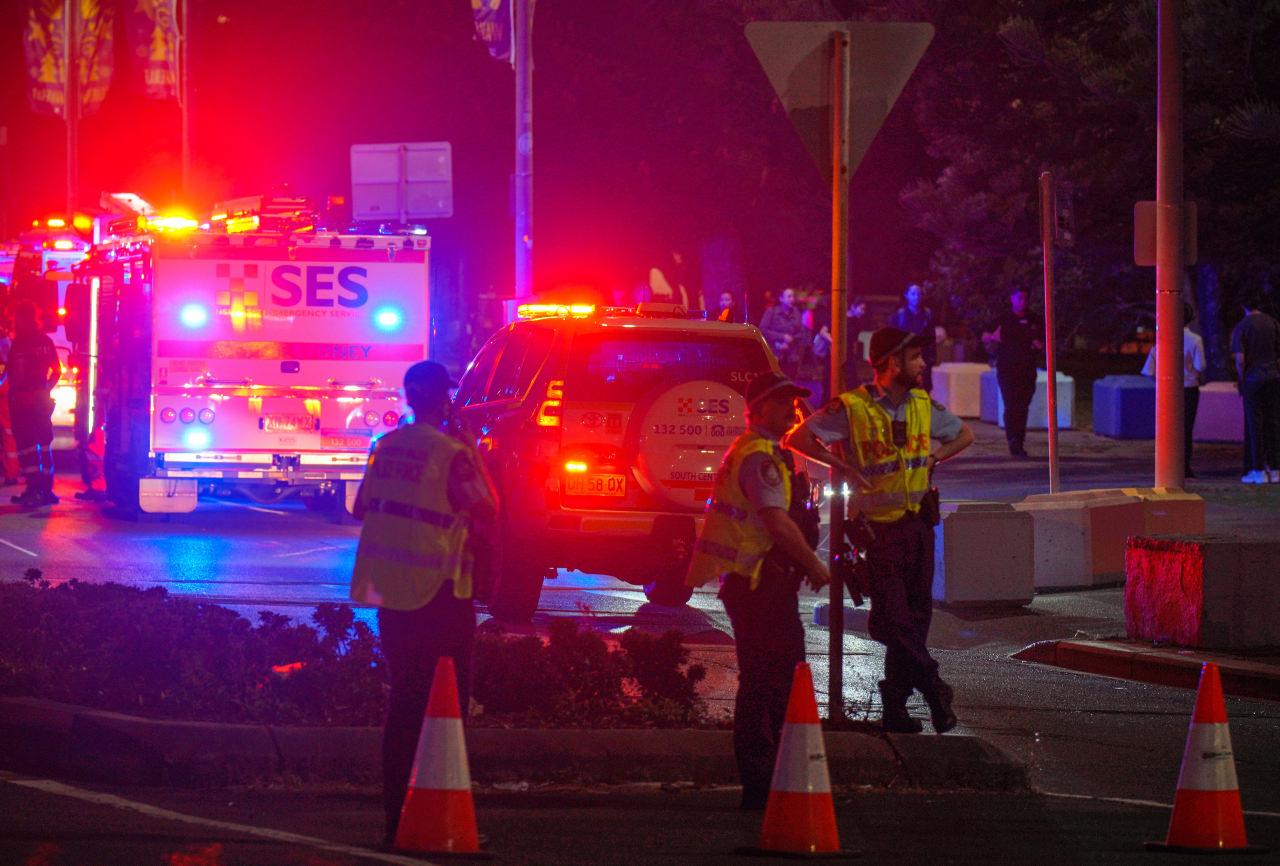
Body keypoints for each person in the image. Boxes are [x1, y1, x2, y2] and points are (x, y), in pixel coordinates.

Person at [785, 327, 973, 735]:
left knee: (915, 620)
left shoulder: (922, 403)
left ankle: (895, 708)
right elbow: (797, 438)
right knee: (889, 622)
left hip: (919, 526)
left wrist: (935, 458)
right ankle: (933, 685)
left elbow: (964, 434)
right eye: (915, 357)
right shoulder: (852, 407)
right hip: (878, 533)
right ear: (891, 362)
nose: (923, 363)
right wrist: (841, 466)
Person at [350, 360, 499, 845]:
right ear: (445, 398)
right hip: (441, 594)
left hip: (391, 592)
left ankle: (397, 818)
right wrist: (471, 448)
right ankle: (438, 813)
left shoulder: (385, 446)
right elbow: (488, 506)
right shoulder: (452, 453)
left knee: (404, 702)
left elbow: (361, 507)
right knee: (445, 707)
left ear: (409, 396)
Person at [685, 371, 830, 810]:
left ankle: (771, 784)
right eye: (784, 402)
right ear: (760, 409)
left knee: (773, 681)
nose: (793, 409)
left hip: (762, 584)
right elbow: (776, 522)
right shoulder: (758, 457)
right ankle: (764, 785)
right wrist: (814, 564)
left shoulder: (768, 452)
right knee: (768, 683)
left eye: (795, 401)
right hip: (756, 586)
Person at [6, 301, 62, 506]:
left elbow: (13, 373)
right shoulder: (46, 341)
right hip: (41, 400)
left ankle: (34, 489)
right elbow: (57, 370)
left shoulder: (20, 343)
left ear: (21, 319)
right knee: (45, 443)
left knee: (26, 446)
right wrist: (45, 389)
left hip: (23, 400)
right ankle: (46, 489)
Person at [1141, 303, 1206, 478]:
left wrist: (1160, 383)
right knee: (1186, 429)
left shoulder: (1162, 340)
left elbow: (1148, 371)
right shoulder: (1195, 340)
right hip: (1189, 389)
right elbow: (1200, 366)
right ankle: (1184, 467)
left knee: (1167, 429)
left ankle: (1166, 466)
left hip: (1167, 391)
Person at [982, 288, 1043, 458]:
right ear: (1012, 299)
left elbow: (1044, 341)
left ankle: (1020, 440)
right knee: (1011, 404)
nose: (1023, 301)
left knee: (1023, 406)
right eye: (1020, 298)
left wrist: (1039, 345)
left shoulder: (1035, 320)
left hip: (1027, 369)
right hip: (1007, 369)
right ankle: (1013, 440)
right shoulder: (1004, 319)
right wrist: (993, 337)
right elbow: (985, 335)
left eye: (1025, 298)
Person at [1230, 295, 1280, 484]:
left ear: (1243, 305)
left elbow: (1240, 359)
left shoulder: (1242, 326)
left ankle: (1257, 470)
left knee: (1254, 424)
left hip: (1252, 380)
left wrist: (1241, 378)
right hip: (1273, 378)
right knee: (1273, 422)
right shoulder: (1273, 323)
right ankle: (1275, 468)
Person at [812, 297, 871, 402]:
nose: (863, 312)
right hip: (833, 354)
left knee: (851, 382)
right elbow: (822, 332)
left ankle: (848, 405)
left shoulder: (857, 322)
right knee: (829, 381)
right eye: (861, 309)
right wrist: (835, 343)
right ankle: (826, 405)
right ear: (853, 307)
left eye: (864, 309)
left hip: (848, 355)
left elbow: (853, 341)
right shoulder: (839, 318)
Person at [889, 284, 937, 392]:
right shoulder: (899, 316)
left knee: (923, 390)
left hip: (923, 359)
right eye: (913, 294)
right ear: (907, 295)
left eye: (919, 294)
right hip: (904, 360)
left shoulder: (927, 315)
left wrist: (931, 358)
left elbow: (931, 338)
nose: (916, 297)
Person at [759, 288, 808, 378]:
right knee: (776, 383)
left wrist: (792, 339)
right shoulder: (772, 312)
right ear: (781, 298)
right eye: (789, 296)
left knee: (790, 383)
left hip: (791, 356)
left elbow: (802, 332)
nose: (792, 299)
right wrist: (781, 337)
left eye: (793, 296)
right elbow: (762, 330)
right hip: (775, 355)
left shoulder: (796, 313)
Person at [0, 317, 23, 486]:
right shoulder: (8, 342)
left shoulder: (5, 342)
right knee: (8, 435)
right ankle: (11, 472)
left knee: (8, 434)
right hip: (6, 393)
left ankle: (11, 473)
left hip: (5, 394)